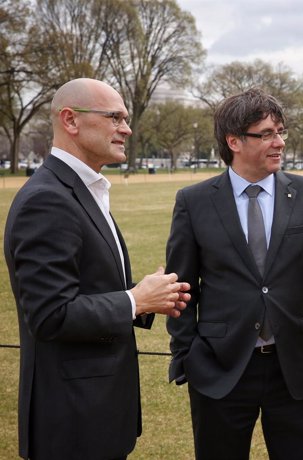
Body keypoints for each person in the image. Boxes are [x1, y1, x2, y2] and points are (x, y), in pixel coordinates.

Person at [165, 87, 303, 460]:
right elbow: (182, 287)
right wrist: (187, 356)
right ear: (233, 140)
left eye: (281, 131)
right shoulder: (194, 201)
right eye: (266, 134)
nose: (279, 142)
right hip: (220, 369)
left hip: (295, 368)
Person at [4, 78, 191, 460]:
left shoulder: (81, 190)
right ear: (70, 121)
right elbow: (50, 315)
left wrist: (150, 296)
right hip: (72, 420)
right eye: (115, 117)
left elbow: (88, 287)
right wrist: (135, 301)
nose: (127, 128)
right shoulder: (47, 200)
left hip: (97, 413)